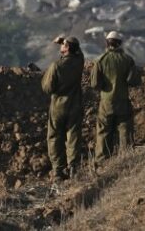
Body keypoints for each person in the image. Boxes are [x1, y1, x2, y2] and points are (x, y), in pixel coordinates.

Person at [91, 30, 142, 162]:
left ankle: (102, 162)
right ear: (119, 44)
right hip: (123, 100)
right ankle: (127, 158)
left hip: (106, 102)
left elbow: (95, 83)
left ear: (107, 43)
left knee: (103, 131)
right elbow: (133, 81)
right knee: (124, 129)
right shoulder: (128, 60)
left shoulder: (101, 60)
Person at [42, 35, 85, 180]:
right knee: (73, 136)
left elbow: (47, 88)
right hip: (75, 105)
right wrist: (65, 42)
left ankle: (58, 170)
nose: (61, 46)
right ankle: (73, 167)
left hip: (58, 106)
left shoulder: (56, 66)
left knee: (54, 137)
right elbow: (79, 53)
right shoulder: (79, 62)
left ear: (66, 48)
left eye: (63, 45)